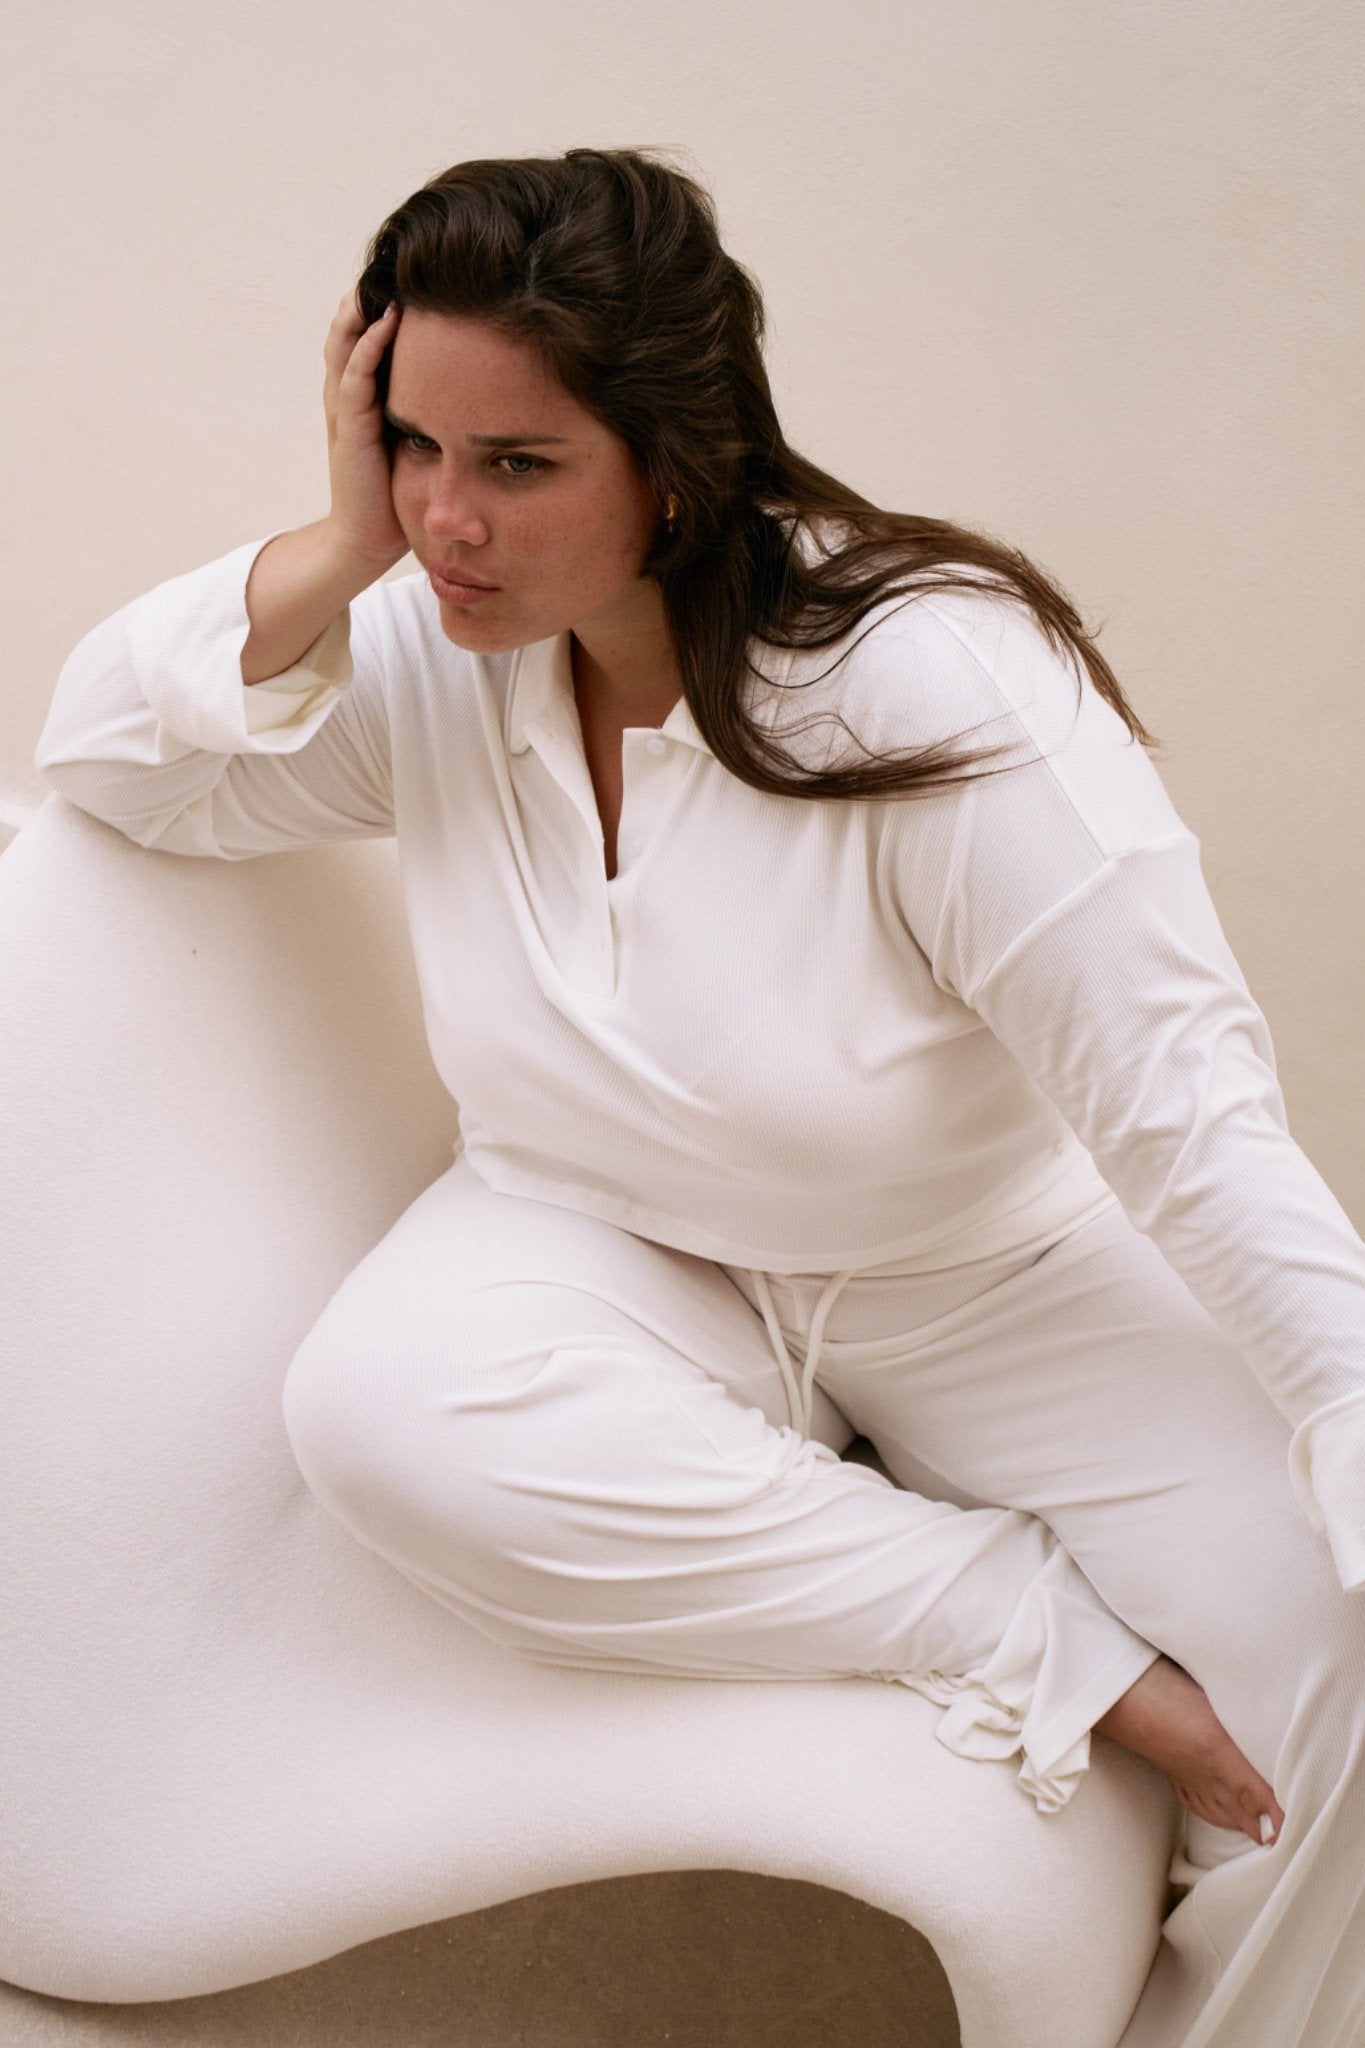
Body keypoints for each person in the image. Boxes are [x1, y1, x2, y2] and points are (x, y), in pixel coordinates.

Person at [34, 149, 1365, 2048]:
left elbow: (1195, 1123)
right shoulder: (430, 640)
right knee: (383, 1407)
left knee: (1354, 1669)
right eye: (413, 446)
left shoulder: (939, 690)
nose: (448, 520)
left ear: (670, 454)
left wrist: (1346, 1417)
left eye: (516, 464)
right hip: (602, 1238)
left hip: (980, 1273)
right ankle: (1037, 1634)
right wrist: (337, 543)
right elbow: (112, 760)